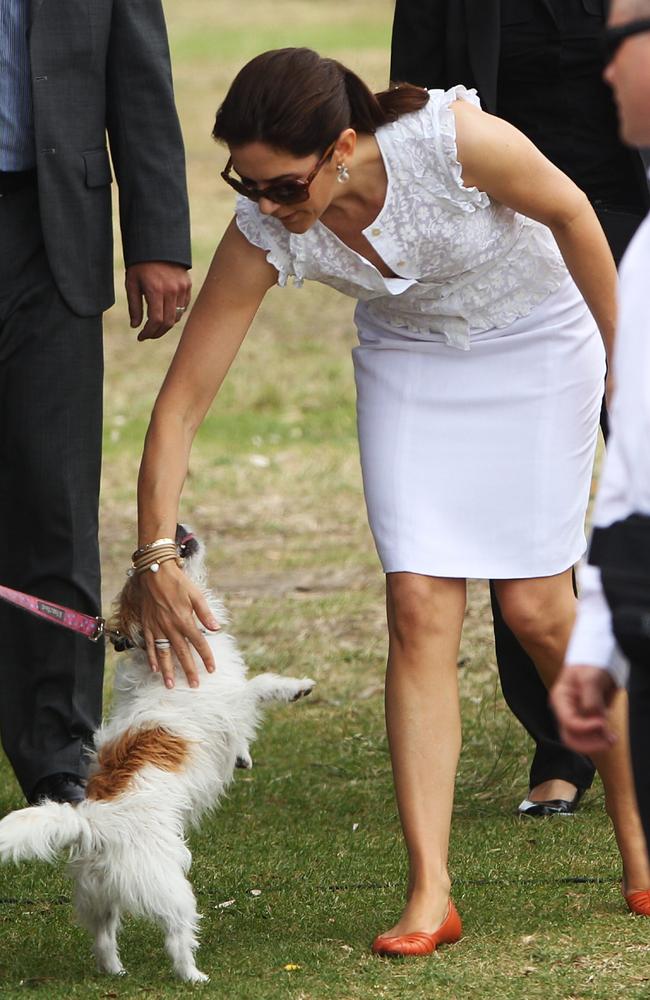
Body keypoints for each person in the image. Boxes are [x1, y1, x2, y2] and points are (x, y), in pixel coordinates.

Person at [132, 47, 650, 955]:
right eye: (243, 184)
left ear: (341, 147)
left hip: (535, 335)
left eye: (282, 186)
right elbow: (181, 405)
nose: (264, 206)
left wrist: (625, 371)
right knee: (416, 604)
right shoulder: (271, 230)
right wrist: (153, 555)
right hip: (412, 362)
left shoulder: (449, 140)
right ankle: (430, 892)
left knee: (535, 606)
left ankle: (639, 841)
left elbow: (571, 211)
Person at [390, 0, 650, 818]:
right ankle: (561, 744)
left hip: (631, 217)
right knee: (522, 508)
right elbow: (413, 114)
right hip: (516, 246)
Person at [0, 0, 192, 806]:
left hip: (52, 229)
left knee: (54, 497)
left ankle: (57, 753)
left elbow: (139, 78)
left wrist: (157, 237)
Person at [551, 0, 650, 917]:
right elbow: (632, 465)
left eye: (626, 42)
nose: (606, 69)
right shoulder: (643, 247)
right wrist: (598, 645)